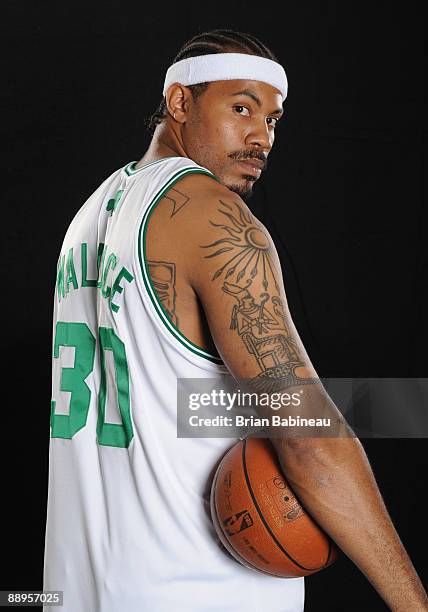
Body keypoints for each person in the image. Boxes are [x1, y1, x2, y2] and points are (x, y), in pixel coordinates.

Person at [43, 29, 428, 611]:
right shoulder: (212, 214)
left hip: (81, 589)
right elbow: (304, 434)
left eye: (273, 119)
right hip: (193, 590)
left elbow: (167, 398)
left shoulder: (88, 217)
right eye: (241, 107)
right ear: (179, 103)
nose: (260, 137)